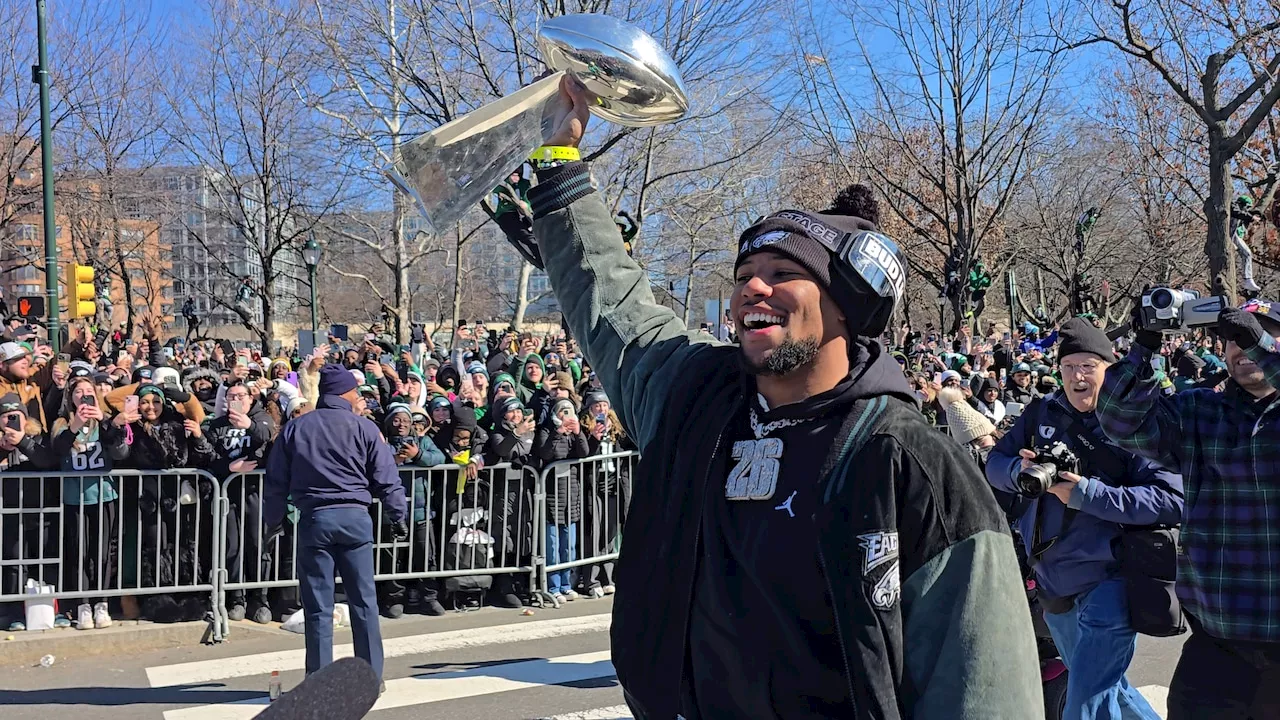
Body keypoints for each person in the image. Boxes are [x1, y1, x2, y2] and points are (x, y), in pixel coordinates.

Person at [505, 75, 1041, 718]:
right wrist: (561, 164)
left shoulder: (911, 461)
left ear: (846, 307)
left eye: (784, 274)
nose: (753, 289)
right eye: (744, 277)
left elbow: (984, 689)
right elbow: (609, 300)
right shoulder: (692, 399)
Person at [987, 318, 1183, 720]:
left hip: (1109, 582)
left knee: (1083, 706)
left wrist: (1085, 494)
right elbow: (994, 463)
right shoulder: (1040, 412)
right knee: (1108, 691)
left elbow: (1171, 499)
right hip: (1052, 582)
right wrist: (1017, 473)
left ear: (1108, 369)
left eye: (1088, 366)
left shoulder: (1135, 424)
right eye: (1068, 366)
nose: (1077, 376)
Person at [1096, 300, 1280, 719]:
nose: (1239, 347)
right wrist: (1145, 346)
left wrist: (1260, 344)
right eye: (1232, 338)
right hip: (1217, 647)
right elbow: (1119, 422)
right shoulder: (1200, 410)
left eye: (1256, 333)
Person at [264, 364, 407, 687]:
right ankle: (371, 676)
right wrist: (398, 515)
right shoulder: (364, 428)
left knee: (318, 606)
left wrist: (274, 522)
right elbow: (386, 478)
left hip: (315, 519)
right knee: (364, 603)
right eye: (355, 391)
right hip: (355, 518)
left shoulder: (296, 428)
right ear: (344, 393)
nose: (358, 396)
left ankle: (318, 678)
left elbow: (276, 483)